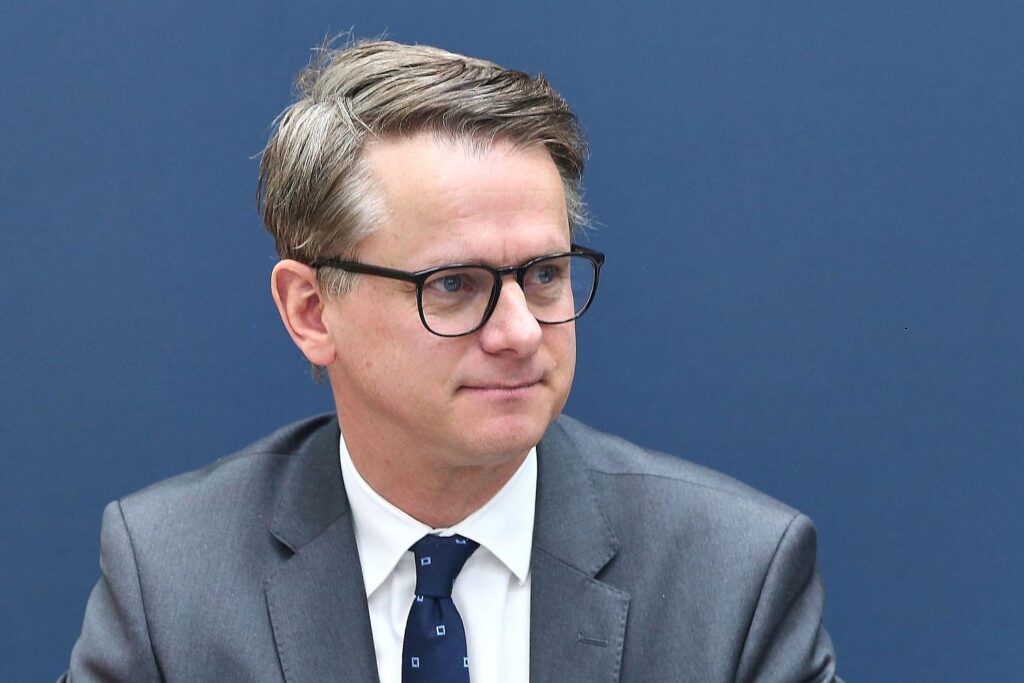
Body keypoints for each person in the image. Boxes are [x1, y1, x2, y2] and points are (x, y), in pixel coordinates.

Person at [61, 40, 842, 682]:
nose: (521, 332)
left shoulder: (732, 577)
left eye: (544, 274)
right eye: (455, 285)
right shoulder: (171, 580)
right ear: (311, 311)